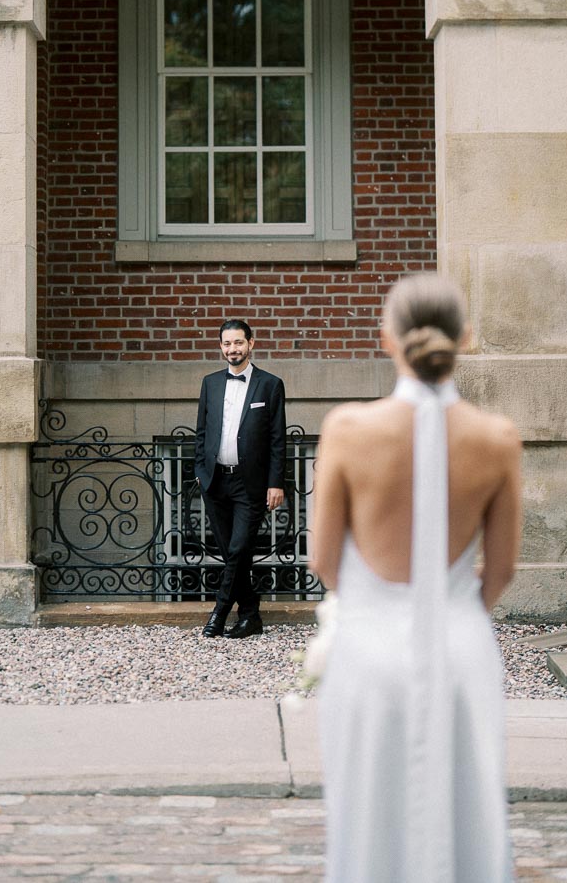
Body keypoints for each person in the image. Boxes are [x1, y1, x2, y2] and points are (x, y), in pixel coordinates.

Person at [311, 272, 522, 883]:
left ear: (387, 338)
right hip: (461, 649)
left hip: (371, 651)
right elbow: (503, 570)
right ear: (467, 338)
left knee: (366, 810)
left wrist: (379, 610)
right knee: (467, 808)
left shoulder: (348, 430)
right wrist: (450, 608)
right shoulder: (497, 437)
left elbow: (324, 561)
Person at [195, 318, 286, 638]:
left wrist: (276, 483)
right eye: (226, 343)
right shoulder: (210, 383)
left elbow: (277, 438)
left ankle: (218, 613)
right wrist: (199, 471)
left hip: (251, 484)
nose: (232, 349)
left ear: (251, 344)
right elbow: (202, 432)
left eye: (238, 342)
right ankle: (250, 615)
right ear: (221, 347)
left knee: (237, 550)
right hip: (215, 481)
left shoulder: (270, 384)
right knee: (234, 552)